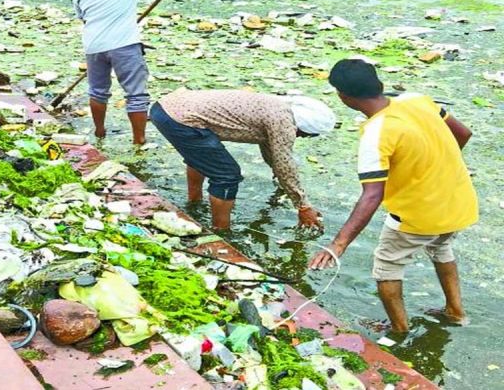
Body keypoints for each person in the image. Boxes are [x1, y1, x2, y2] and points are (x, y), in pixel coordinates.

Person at [309, 59, 478, 333]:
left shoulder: (376, 132)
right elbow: (463, 133)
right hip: (458, 202)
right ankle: (456, 312)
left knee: (387, 266)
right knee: (441, 246)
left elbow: (372, 195)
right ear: (379, 84)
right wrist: (434, 166)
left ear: (343, 97)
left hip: (417, 215)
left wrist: (338, 244)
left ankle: (399, 330)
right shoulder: (418, 100)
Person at [151, 89, 335, 231]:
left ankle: (194, 204)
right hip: (180, 119)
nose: (301, 138)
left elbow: (272, 152)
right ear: (305, 127)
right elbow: (284, 163)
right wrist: (303, 206)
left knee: (204, 157)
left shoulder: (276, 106)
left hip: (166, 107)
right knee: (227, 175)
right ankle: (221, 231)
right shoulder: (284, 122)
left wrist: (283, 184)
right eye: (306, 135)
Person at [72, 0, 192, 146]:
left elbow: (84, 18)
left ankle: (99, 132)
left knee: (97, 91)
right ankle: (139, 139)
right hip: (124, 44)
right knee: (136, 94)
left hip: (93, 46)